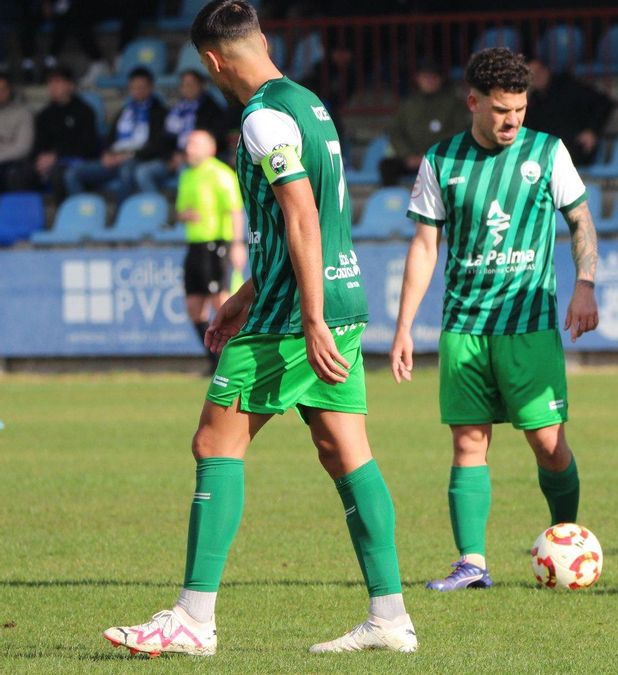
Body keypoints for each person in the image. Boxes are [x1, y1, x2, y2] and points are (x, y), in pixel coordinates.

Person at [103, 0, 417, 656]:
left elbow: (301, 213)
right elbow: (315, 216)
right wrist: (244, 292)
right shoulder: (308, 103)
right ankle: (390, 616)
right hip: (335, 295)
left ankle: (193, 616)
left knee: (214, 442)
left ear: (213, 62)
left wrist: (302, 315)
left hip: (295, 313)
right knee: (344, 449)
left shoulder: (260, 119)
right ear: (263, 41)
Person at [390, 47, 599, 592]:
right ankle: (472, 563)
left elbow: (580, 220)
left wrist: (586, 285)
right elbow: (424, 246)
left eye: (521, 110)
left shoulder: (547, 153)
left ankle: (565, 540)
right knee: (467, 443)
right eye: (502, 110)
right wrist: (404, 326)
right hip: (464, 328)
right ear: (473, 102)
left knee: (549, 444)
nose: (512, 121)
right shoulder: (441, 161)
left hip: (528, 325)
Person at [176, 129, 245, 374]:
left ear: (210, 148)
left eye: (195, 144)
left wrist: (237, 244)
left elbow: (234, 210)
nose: (189, 148)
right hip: (194, 246)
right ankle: (215, 361)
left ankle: (238, 359)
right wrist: (184, 215)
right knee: (194, 306)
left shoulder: (220, 174)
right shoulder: (187, 176)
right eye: (189, 144)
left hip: (217, 244)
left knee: (222, 301)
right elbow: (181, 210)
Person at [63, 67, 173, 199]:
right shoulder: (124, 111)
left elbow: (157, 145)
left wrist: (128, 155)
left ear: (151, 87)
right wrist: (107, 154)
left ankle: (121, 215)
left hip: (138, 159)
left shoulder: (160, 113)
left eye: (141, 87)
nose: (137, 91)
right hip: (115, 159)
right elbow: (109, 138)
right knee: (73, 173)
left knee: (126, 171)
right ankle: (82, 213)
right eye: (133, 87)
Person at [140, 70, 229, 193]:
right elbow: (165, 138)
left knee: (184, 171)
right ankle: (156, 207)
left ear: (201, 86)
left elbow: (216, 140)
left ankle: (186, 208)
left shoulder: (212, 109)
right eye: (183, 85)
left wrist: (186, 157)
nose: (187, 89)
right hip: (174, 157)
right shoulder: (177, 109)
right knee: (144, 172)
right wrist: (170, 157)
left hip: (197, 159)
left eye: (191, 85)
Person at [378, 61, 464, 186]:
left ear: (441, 79)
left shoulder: (454, 104)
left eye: (433, 77)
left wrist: (430, 156)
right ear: (418, 79)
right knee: (387, 166)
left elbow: (459, 132)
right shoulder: (408, 104)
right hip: (411, 158)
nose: (429, 81)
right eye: (425, 77)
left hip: (440, 158)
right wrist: (407, 155)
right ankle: (391, 203)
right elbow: (395, 131)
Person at [524, 57, 613, 167]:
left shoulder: (569, 87)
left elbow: (603, 103)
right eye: (531, 75)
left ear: (546, 70)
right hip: (547, 155)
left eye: (538, 72)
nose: (536, 77)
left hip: (576, 149)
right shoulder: (533, 100)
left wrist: (592, 131)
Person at [29, 66, 99, 201]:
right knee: (20, 174)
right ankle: (23, 218)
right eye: (50, 82)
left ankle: (63, 215)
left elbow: (88, 146)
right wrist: (40, 159)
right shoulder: (44, 114)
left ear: (70, 85)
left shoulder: (84, 111)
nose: (53, 86)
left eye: (58, 81)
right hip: (48, 162)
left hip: (74, 160)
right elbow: (38, 144)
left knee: (58, 173)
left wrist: (57, 156)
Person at [0, 72, 34, 191]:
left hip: (13, 164)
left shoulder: (22, 113)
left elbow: (23, 148)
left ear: (10, 91)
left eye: (3, 89)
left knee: (15, 174)